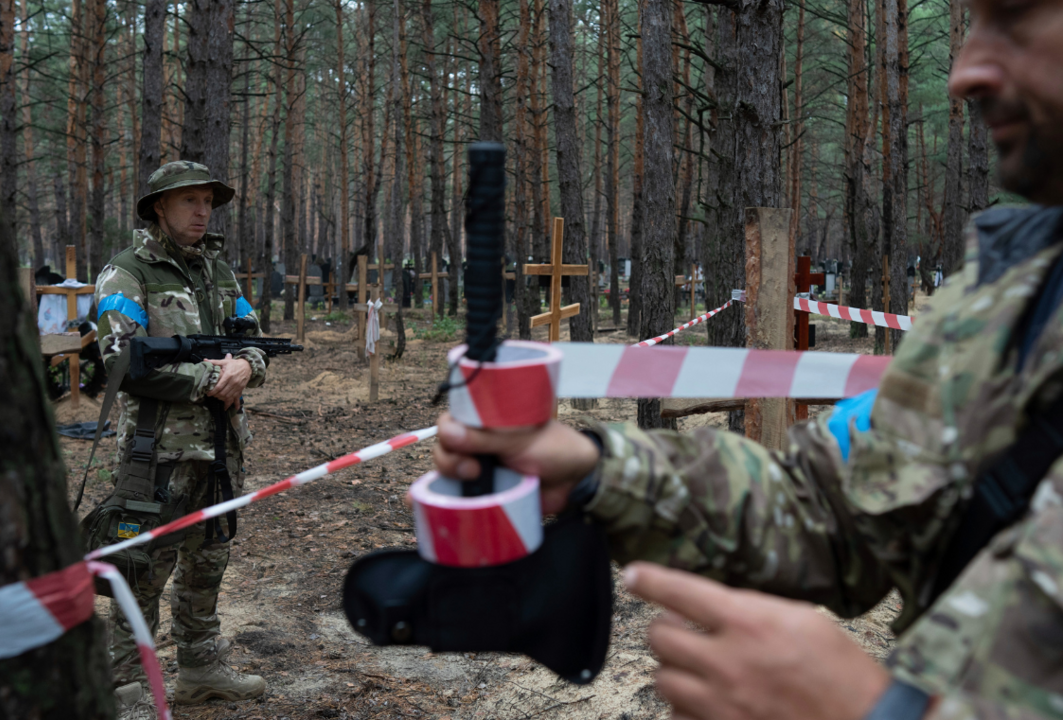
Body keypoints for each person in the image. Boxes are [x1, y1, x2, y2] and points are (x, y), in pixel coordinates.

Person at [434, 0, 1063, 716]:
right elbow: (828, 510)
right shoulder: (1011, 295)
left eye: (1013, 17)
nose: (965, 71)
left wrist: (869, 709)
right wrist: (594, 472)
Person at [95, 161, 268, 715]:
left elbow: (253, 341)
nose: (201, 211)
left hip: (221, 447)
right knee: (142, 568)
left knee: (207, 561)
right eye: (189, 200)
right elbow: (121, 361)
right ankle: (120, 686)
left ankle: (199, 669)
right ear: (159, 209)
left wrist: (247, 367)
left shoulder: (220, 273)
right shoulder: (127, 273)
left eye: (207, 201)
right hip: (157, 451)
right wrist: (210, 378)